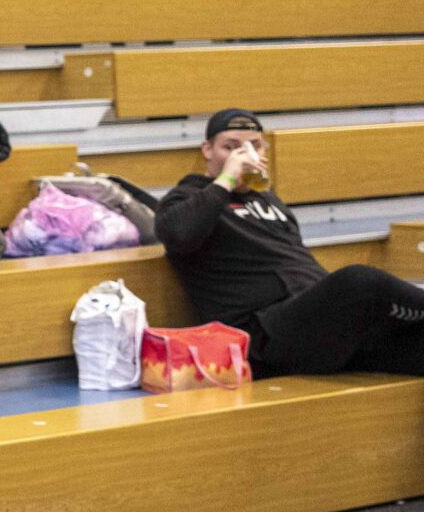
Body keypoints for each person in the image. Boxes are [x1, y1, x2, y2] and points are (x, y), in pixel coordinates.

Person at [161, 110, 424, 378]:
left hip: (319, 325)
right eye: (231, 147)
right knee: (359, 281)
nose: (244, 155)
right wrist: (226, 180)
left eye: (255, 146)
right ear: (207, 150)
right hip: (266, 335)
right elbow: (179, 235)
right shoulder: (186, 197)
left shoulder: (268, 200)